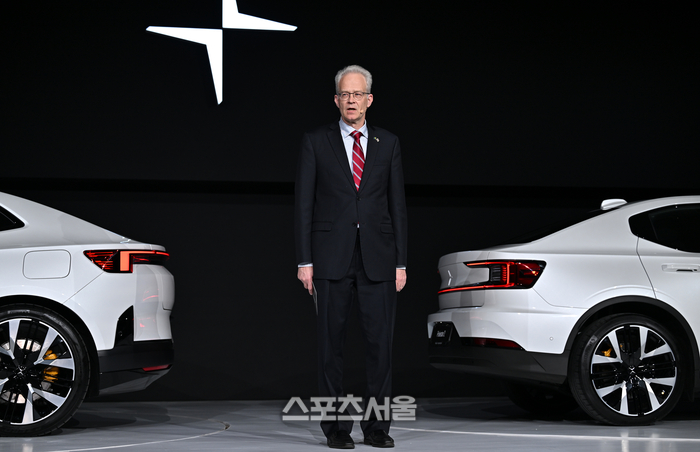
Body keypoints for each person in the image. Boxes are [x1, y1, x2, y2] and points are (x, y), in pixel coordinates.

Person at [294, 65, 407, 449]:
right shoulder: (316, 141)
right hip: (330, 259)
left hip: (379, 258)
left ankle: (377, 428)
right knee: (331, 349)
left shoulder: (388, 143)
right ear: (336, 100)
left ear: (369, 99)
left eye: (358, 94)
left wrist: (401, 262)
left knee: (380, 350)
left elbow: (397, 206)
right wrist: (304, 261)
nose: (351, 100)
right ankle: (336, 429)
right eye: (345, 94)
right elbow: (303, 206)